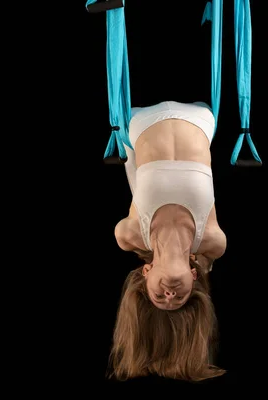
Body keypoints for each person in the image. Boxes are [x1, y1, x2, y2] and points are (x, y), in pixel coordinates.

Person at [109, 100, 227, 382]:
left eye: (159, 296)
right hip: (199, 120)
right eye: (180, 297)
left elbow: (131, 164)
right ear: (194, 276)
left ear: (145, 273)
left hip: (144, 120)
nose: (170, 294)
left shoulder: (131, 234)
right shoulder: (211, 239)